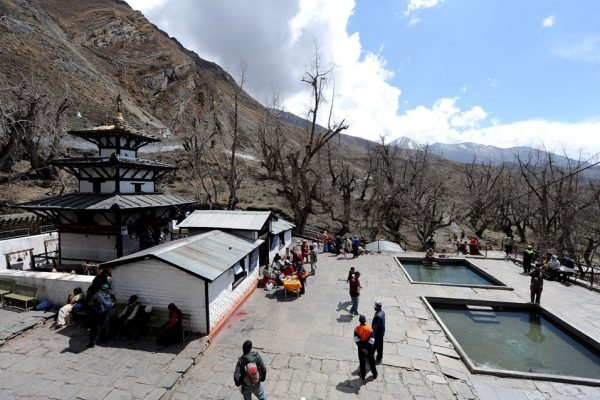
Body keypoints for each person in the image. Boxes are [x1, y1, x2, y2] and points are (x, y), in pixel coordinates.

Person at [88, 283, 113, 347]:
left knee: (93, 329)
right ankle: (103, 340)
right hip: (104, 314)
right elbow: (111, 305)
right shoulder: (108, 296)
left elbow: (90, 304)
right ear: (107, 289)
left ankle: (92, 342)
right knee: (104, 328)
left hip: (95, 314)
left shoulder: (96, 295)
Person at [354, 314, 377, 381]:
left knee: (362, 362)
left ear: (359, 321)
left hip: (361, 349)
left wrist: (363, 348)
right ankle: (375, 374)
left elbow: (356, 339)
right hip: (369, 349)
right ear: (365, 321)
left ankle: (363, 375)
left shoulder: (356, 329)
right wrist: (367, 348)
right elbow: (372, 340)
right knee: (371, 362)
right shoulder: (370, 329)